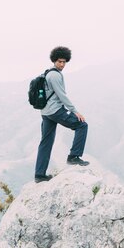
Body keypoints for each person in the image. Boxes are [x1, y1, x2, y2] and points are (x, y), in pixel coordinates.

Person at [34, 46, 89, 183]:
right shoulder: (55, 75)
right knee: (82, 125)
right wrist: (75, 111)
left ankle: (39, 175)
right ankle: (74, 156)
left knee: (46, 142)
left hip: (45, 112)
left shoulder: (47, 73)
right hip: (55, 111)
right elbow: (62, 95)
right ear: (54, 60)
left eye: (64, 62)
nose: (62, 64)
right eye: (59, 61)